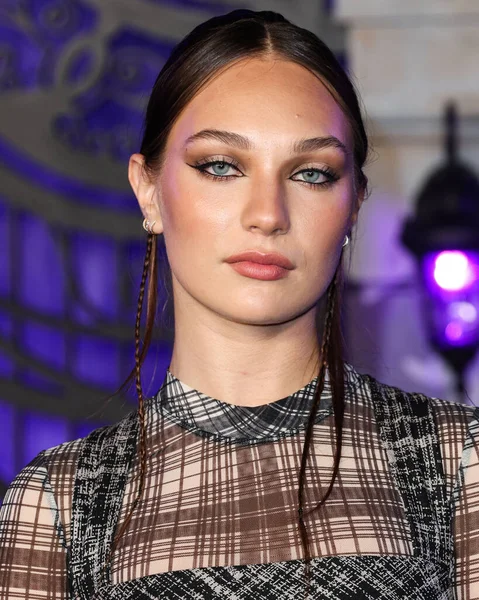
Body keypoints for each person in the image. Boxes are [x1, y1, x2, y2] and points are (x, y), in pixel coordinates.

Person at [1, 8, 478, 599]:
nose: (268, 214)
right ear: (148, 189)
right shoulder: (59, 502)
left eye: (311, 174)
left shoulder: (458, 462)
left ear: (353, 203)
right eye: (221, 166)